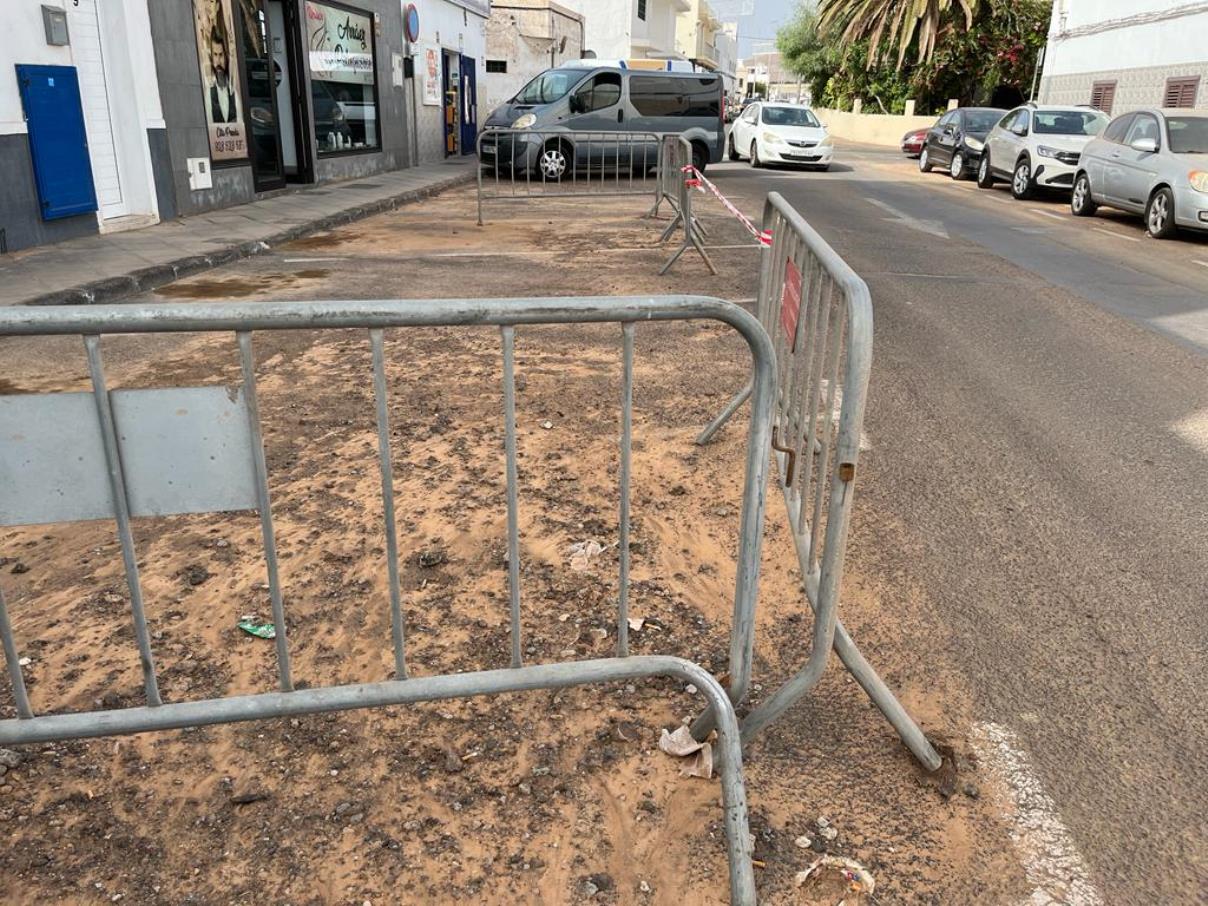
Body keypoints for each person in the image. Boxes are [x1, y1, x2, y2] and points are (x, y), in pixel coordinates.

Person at [209, 8, 238, 124]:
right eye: (215, 55)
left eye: (221, 55)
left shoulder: (234, 88)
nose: (218, 61)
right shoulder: (209, 92)